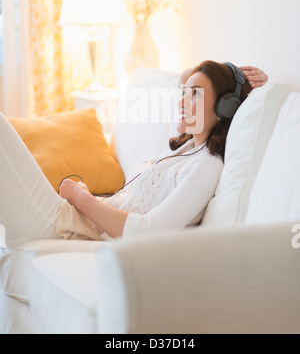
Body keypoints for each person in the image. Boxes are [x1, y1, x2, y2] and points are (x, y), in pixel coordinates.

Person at [0, 61, 267, 247]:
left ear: (226, 108)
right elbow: (188, 74)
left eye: (194, 95)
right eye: (183, 93)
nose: (181, 101)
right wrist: (232, 75)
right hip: (68, 217)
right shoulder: (186, 149)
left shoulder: (206, 167)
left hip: (64, 227)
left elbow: (146, 232)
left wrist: (81, 198)